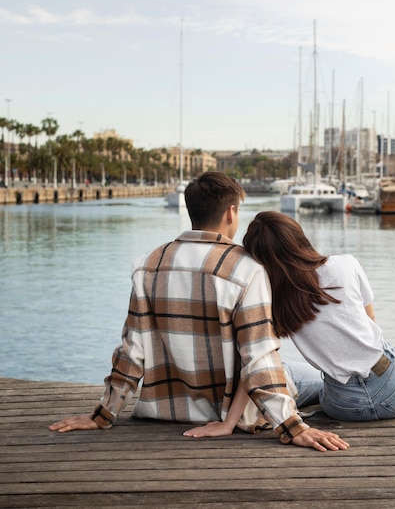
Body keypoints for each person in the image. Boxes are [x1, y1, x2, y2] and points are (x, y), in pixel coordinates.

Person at [49, 172, 349, 452]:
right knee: (318, 380)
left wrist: (103, 414)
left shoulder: (147, 264)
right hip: (231, 412)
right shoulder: (246, 269)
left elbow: (132, 351)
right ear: (231, 212)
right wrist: (293, 427)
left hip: (166, 411)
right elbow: (258, 357)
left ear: (191, 210)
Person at [239, 210, 395, 422]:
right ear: (299, 238)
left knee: (290, 372)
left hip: (347, 404)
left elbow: (258, 359)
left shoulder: (273, 302)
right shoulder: (345, 264)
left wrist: (228, 423)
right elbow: (370, 319)